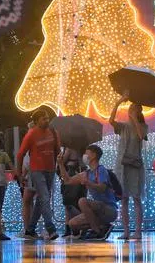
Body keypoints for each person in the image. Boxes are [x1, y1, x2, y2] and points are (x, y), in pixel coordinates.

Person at [17, 108, 62, 241]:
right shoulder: (31, 134)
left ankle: (30, 229)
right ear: (36, 121)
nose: (47, 120)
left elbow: (58, 150)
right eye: (44, 118)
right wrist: (19, 173)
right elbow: (20, 154)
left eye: (47, 118)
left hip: (50, 169)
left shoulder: (53, 132)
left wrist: (60, 163)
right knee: (45, 196)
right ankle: (51, 228)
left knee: (42, 200)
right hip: (36, 170)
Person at [110, 93, 147, 240]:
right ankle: (126, 231)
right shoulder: (123, 127)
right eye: (130, 107)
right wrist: (119, 101)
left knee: (136, 198)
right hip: (122, 165)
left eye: (134, 108)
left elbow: (140, 136)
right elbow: (111, 120)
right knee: (124, 198)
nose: (130, 109)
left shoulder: (143, 126)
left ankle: (138, 231)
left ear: (139, 111)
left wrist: (133, 119)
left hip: (135, 166)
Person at [59, 144, 117, 239]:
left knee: (82, 201)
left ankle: (97, 231)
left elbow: (102, 188)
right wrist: (61, 164)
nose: (84, 156)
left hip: (109, 209)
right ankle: (104, 226)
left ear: (93, 155)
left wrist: (88, 183)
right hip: (97, 211)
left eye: (86, 153)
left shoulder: (101, 170)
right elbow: (67, 181)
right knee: (72, 223)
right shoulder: (86, 173)